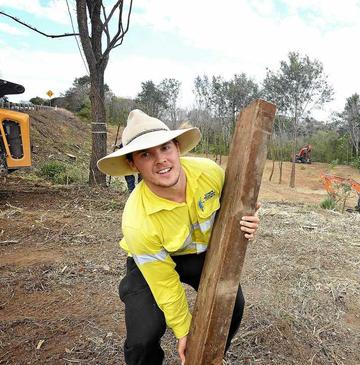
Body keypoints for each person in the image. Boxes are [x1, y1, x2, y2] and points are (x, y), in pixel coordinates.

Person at [97, 109, 260, 364]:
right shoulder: (137, 220)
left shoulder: (210, 173)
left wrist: (249, 219)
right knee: (144, 336)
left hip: (201, 254)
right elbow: (164, 284)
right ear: (132, 164)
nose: (160, 160)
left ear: (177, 147)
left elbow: (235, 208)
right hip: (153, 264)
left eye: (165, 148)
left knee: (231, 303)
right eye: (146, 154)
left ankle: (211, 356)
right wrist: (184, 330)